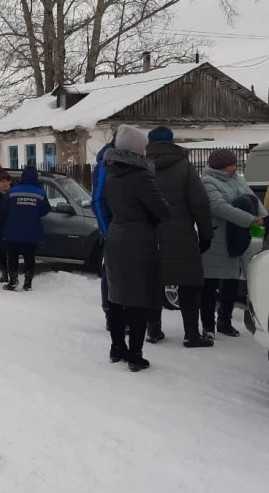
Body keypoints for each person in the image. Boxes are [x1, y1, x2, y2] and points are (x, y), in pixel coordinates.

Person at [103, 125, 171, 372]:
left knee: (118, 295)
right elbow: (162, 210)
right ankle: (135, 355)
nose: (145, 150)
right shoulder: (140, 175)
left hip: (116, 235)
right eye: (143, 146)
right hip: (139, 240)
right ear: (135, 149)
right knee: (139, 299)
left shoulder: (111, 173)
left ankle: (117, 348)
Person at [145, 126, 214, 348]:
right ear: (172, 141)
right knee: (189, 285)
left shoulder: (142, 166)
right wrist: (205, 235)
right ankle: (191, 334)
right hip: (182, 233)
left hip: (151, 234)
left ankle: (153, 329)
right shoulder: (185, 166)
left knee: (154, 282)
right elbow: (200, 204)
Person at [201, 149, 267, 341]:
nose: (234, 168)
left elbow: (253, 199)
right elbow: (219, 207)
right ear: (220, 166)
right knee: (210, 285)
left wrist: (263, 217)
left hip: (238, 240)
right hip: (217, 240)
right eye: (231, 165)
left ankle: (225, 321)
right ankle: (207, 326)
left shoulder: (238, 179)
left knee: (231, 283)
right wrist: (251, 220)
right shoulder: (207, 182)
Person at [2, 165, 51, 291]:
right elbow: (45, 210)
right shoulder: (40, 192)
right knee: (29, 256)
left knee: (12, 256)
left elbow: (4, 208)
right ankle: (28, 282)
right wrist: (33, 213)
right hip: (32, 230)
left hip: (13, 229)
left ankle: (13, 281)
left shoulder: (13, 191)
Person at [91, 135, 115, 328]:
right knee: (111, 271)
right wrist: (106, 231)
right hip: (113, 229)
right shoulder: (106, 164)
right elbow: (98, 200)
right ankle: (111, 315)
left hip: (129, 228)